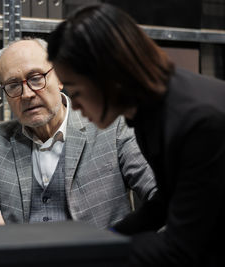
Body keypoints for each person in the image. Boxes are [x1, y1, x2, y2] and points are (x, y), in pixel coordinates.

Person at [47, 3, 225, 267]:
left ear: (108, 76)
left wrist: (88, 255)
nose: (76, 105)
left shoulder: (198, 121)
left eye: (76, 91)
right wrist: (106, 237)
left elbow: (180, 248)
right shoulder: (146, 109)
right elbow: (166, 203)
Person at [0, 38, 156, 229]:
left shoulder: (112, 125)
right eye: (13, 85)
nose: (27, 94)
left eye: (36, 78)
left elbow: (161, 192)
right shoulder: (4, 138)